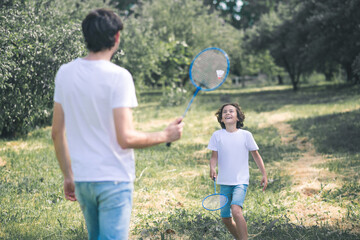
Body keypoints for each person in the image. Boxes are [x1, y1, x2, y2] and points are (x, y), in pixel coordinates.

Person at [51, 8, 184, 240]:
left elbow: (56, 132)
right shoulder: (119, 77)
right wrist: (166, 134)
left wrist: (68, 175)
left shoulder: (64, 73)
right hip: (113, 180)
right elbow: (126, 138)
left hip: (83, 180)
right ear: (116, 37)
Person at [207, 103, 267, 240]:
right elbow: (214, 156)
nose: (227, 113)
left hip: (240, 181)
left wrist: (264, 174)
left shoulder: (246, 135)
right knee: (225, 218)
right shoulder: (217, 135)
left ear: (238, 117)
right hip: (224, 182)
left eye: (231, 111)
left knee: (236, 210)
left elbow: (256, 155)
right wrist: (212, 167)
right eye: (224, 112)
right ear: (221, 119)